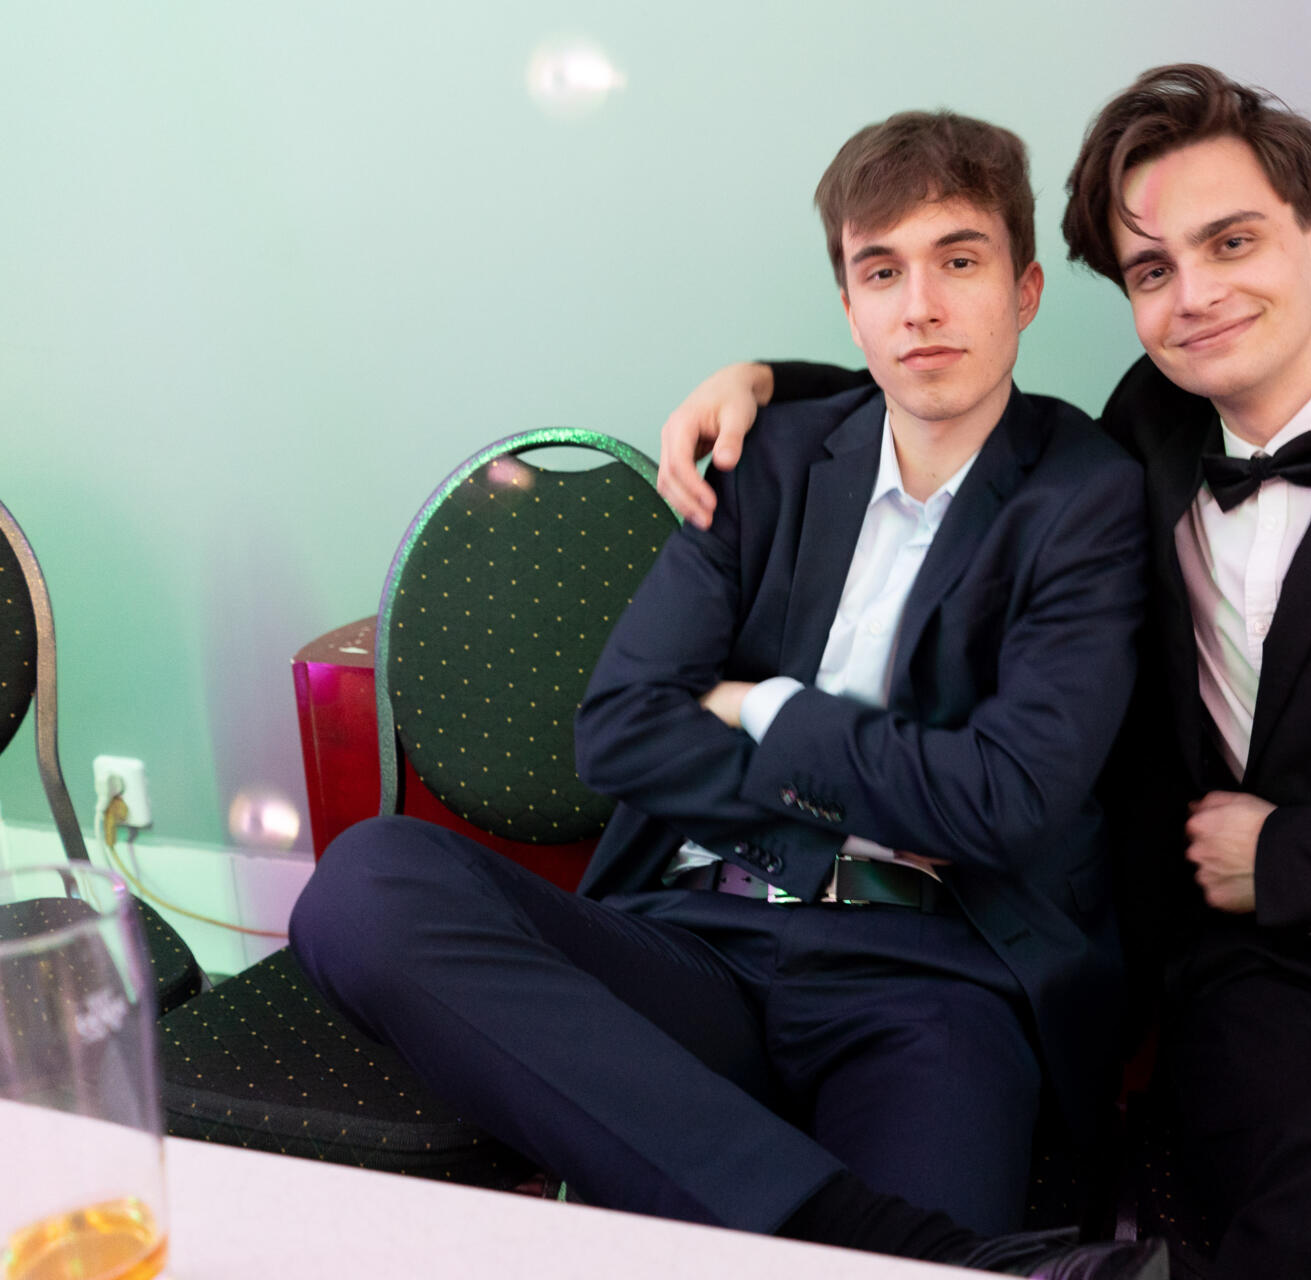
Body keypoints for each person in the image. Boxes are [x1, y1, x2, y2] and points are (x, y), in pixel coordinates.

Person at [652, 64, 1311, 1280]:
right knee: (1261, 1218)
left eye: (1231, 241)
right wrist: (768, 383)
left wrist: (1289, 853)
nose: (1195, 294)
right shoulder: (1141, 438)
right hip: (1255, 977)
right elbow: (952, 392)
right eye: (1152, 271)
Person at [290, 108, 1170, 1280]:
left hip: (933, 979)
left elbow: (1006, 800)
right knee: (363, 889)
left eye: (958, 261)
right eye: (882, 271)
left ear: (1024, 291)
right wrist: (880, 789)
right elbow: (617, 732)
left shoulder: (1085, 493)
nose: (920, 306)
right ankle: (870, 1242)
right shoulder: (771, 458)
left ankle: (760, 1204)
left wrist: (762, 708)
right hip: (699, 939)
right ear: (849, 305)